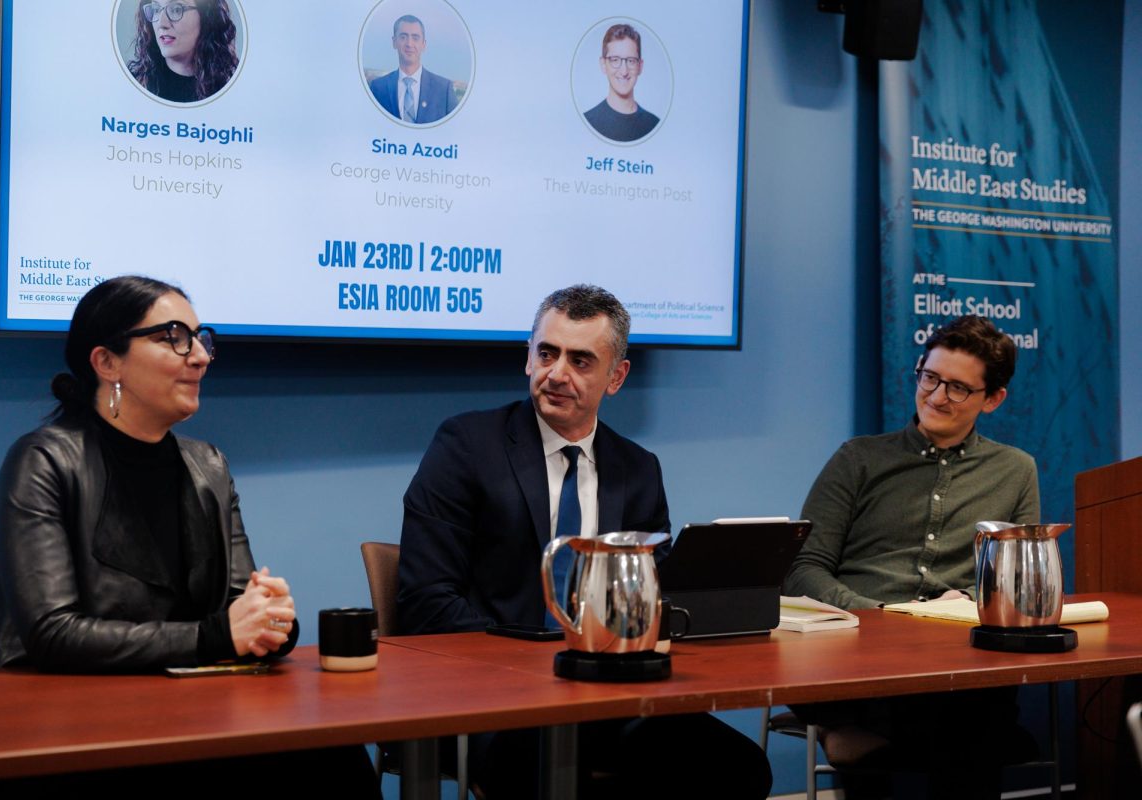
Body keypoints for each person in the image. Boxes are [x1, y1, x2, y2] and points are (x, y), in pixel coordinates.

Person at [0, 276, 377, 797]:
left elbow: (235, 606)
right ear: (106, 362)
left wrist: (270, 622)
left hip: (181, 712)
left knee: (331, 758)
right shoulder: (43, 460)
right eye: (173, 337)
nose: (200, 356)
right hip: (52, 728)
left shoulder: (207, 465)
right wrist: (220, 635)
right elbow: (52, 634)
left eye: (201, 338)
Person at [398, 285, 772, 799]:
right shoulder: (466, 447)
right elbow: (426, 602)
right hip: (494, 700)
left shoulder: (638, 469)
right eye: (546, 353)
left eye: (580, 360)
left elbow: (651, 601)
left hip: (608, 697)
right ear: (526, 359)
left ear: (616, 377)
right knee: (554, 773)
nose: (556, 374)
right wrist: (542, 661)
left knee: (738, 766)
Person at [784, 314, 1040, 799]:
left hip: (956, 656)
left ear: (993, 399)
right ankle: (860, 728)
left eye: (959, 388)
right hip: (859, 648)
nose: (937, 396)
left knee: (970, 703)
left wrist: (961, 599)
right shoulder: (858, 458)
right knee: (971, 732)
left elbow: (1016, 576)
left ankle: (855, 734)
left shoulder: (1015, 469)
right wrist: (876, 615)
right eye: (930, 377)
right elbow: (803, 568)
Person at [127, 0, 239, 103]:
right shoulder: (132, 84)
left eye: (176, 9)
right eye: (155, 10)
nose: (161, 23)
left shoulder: (232, 90)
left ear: (206, 16)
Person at [369, 14, 458, 124]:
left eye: (415, 38)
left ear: (424, 44)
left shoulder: (444, 90)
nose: (409, 44)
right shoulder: (378, 88)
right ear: (394, 42)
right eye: (403, 37)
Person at [583, 23, 660, 143]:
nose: (624, 71)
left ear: (640, 66)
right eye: (615, 60)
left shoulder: (654, 124)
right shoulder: (588, 121)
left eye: (631, 61)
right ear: (603, 65)